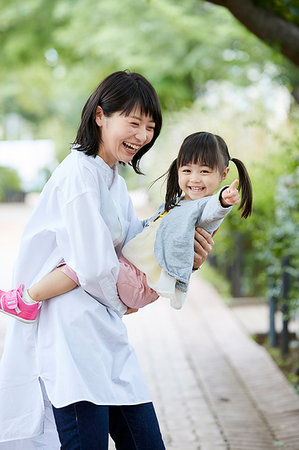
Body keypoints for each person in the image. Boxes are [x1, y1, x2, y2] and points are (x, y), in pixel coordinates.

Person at [0, 71, 214, 450]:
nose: (143, 135)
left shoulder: (112, 177)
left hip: (104, 335)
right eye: (133, 122)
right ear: (100, 116)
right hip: (71, 335)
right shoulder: (79, 175)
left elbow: (131, 243)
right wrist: (124, 305)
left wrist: (181, 236)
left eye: (150, 126)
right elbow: (96, 265)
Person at [0, 132, 252, 321]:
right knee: (86, 261)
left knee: (82, 264)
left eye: (205, 171)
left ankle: (27, 300)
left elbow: (212, 211)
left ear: (223, 173)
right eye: (187, 170)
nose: (194, 179)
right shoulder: (177, 204)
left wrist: (223, 199)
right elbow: (147, 229)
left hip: (139, 281)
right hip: (136, 277)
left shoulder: (204, 207)